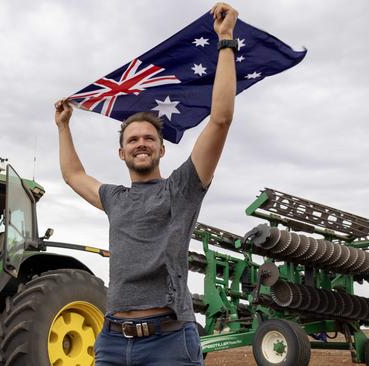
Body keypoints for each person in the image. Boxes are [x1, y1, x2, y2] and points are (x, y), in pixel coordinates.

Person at [54, 3, 238, 365]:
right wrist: (63, 127)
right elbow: (73, 176)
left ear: (161, 149)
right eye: (133, 139)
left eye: (148, 138)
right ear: (121, 153)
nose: (141, 143)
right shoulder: (114, 198)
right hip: (111, 341)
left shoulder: (182, 189)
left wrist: (226, 41)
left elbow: (220, 119)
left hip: (168, 342)